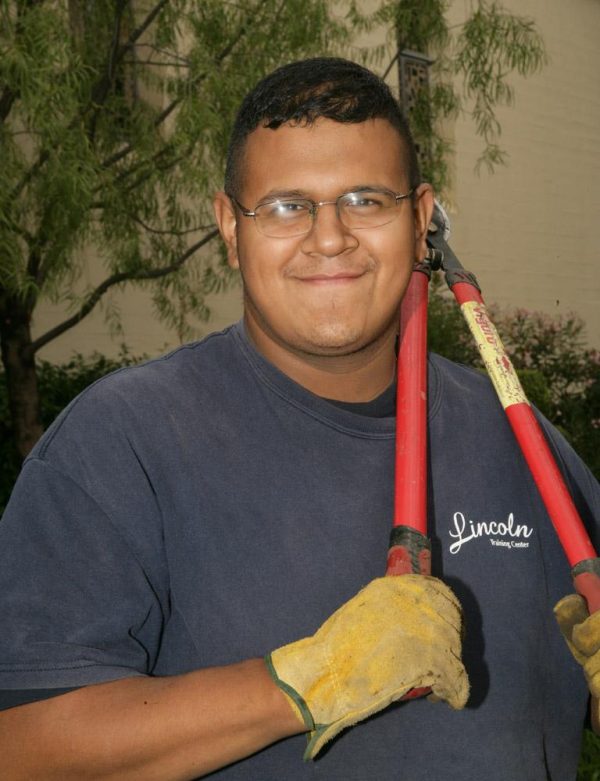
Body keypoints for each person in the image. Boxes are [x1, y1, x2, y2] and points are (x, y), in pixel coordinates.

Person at [0, 57, 598, 780]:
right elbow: (23, 748)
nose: (329, 236)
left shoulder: (524, 441)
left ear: (418, 220)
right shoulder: (119, 445)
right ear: (229, 227)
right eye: (287, 205)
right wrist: (305, 681)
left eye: (366, 200)